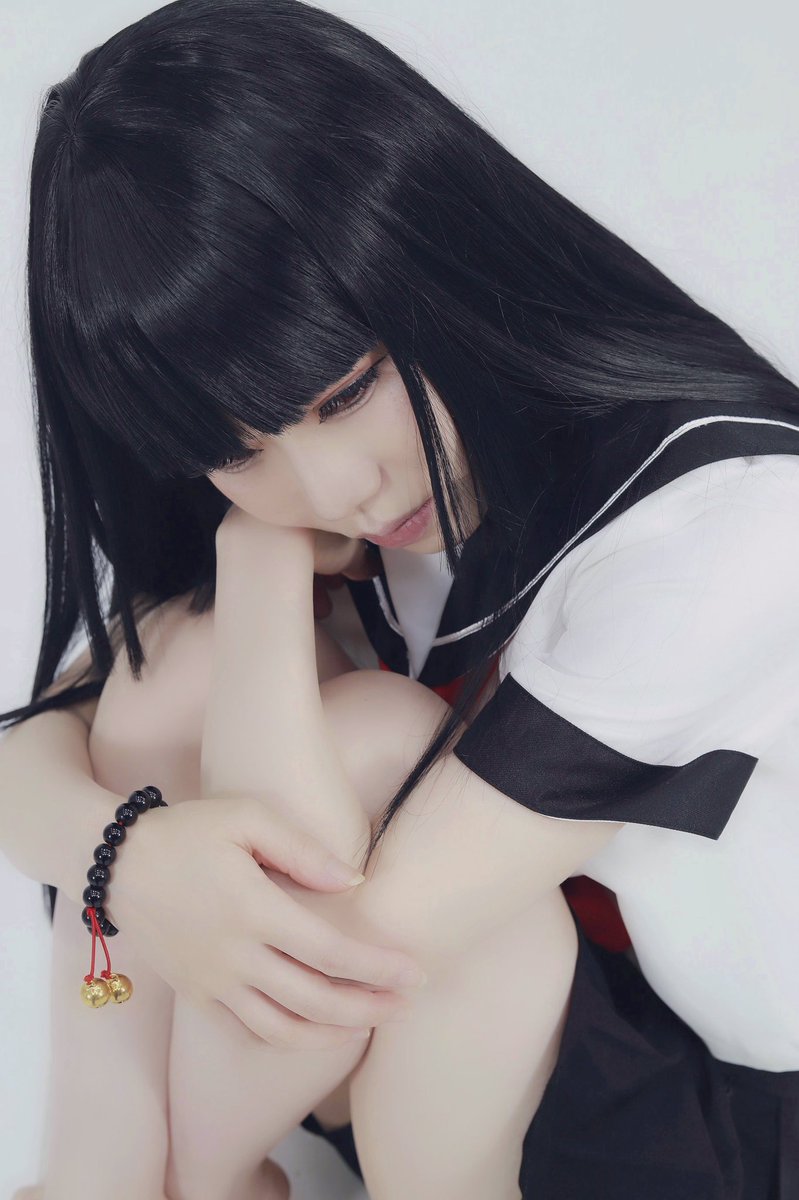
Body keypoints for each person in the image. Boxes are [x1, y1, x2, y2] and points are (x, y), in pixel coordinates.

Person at [1, 0, 797, 1197]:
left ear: (437, 252)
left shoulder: (733, 524)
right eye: (235, 451)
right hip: (483, 1047)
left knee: (377, 744)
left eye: (345, 394)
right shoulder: (355, 499)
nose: (334, 489)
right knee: (187, 660)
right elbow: (32, 752)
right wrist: (142, 849)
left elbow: (346, 939)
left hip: (717, 1127)